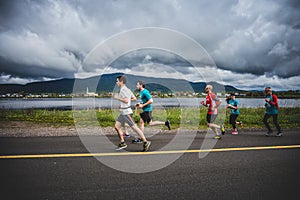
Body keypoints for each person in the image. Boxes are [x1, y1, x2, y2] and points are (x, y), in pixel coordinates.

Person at [113, 75, 151, 151]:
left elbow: (126, 100)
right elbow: (133, 98)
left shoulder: (124, 90)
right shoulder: (127, 90)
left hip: (127, 113)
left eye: (117, 81)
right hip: (123, 111)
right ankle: (122, 142)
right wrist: (122, 105)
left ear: (121, 82)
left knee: (135, 128)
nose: (116, 82)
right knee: (117, 126)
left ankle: (145, 142)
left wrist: (117, 98)